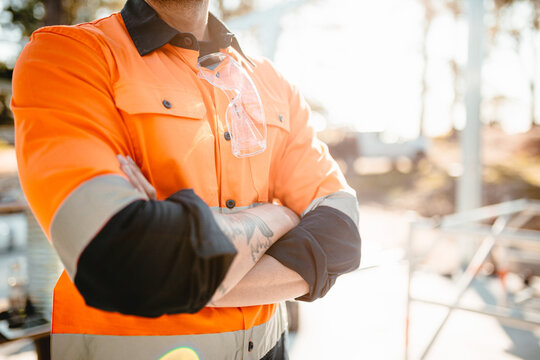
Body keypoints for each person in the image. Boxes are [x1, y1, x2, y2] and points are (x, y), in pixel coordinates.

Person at [11, 0, 362, 358]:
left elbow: (342, 234)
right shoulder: (70, 56)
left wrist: (183, 275)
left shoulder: (275, 85)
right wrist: (281, 216)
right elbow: (127, 260)